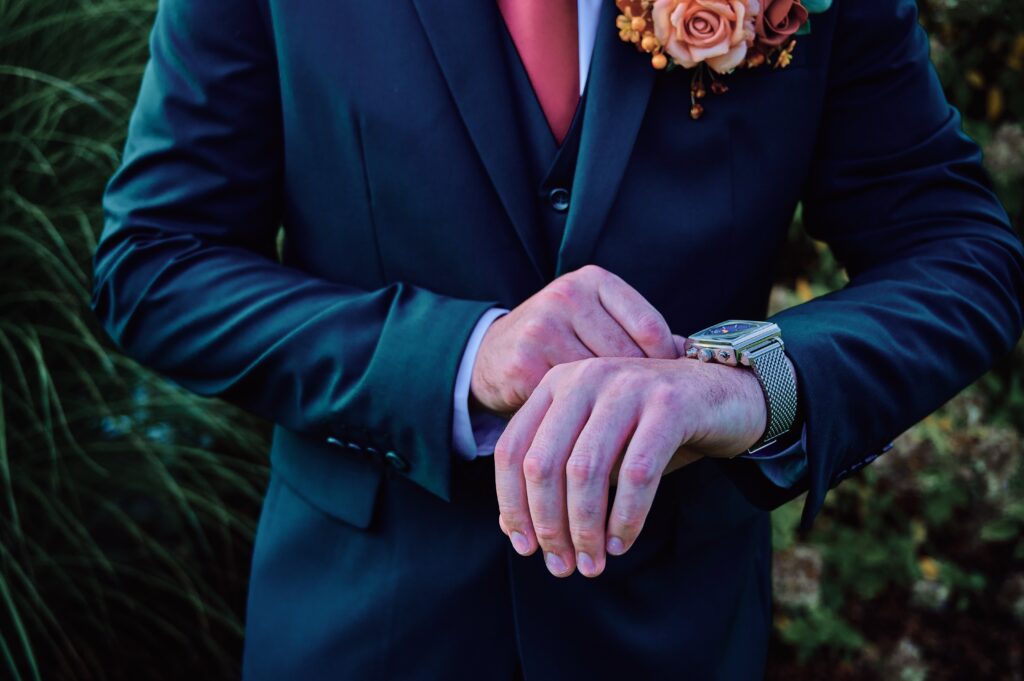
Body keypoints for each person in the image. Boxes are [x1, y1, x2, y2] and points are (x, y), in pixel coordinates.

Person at [89, 0, 1024, 677]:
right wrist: (458, 354)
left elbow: (959, 250)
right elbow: (157, 260)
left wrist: (752, 384)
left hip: (673, 634)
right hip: (363, 627)